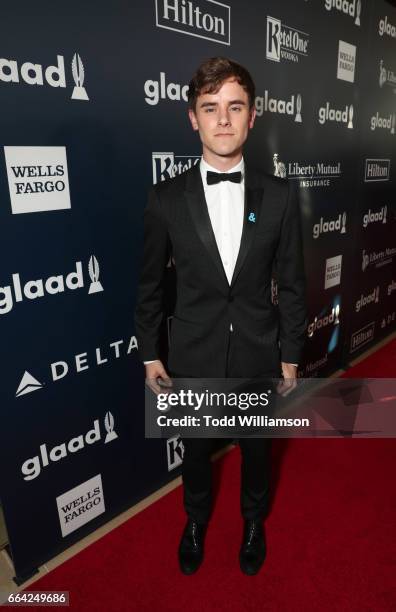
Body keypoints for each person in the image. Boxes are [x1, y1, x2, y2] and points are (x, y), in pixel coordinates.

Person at [134, 57, 307, 575]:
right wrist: (149, 354)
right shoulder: (165, 199)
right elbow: (149, 285)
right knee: (195, 455)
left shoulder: (278, 196)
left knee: (257, 452)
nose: (223, 120)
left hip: (259, 350)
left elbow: (293, 284)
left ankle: (254, 521)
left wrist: (292, 355)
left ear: (253, 116)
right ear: (194, 117)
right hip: (191, 354)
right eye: (211, 108)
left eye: (235, 107)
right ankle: (195, 520)